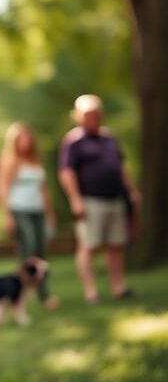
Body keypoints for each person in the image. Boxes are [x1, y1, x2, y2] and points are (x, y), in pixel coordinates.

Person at [58, 94, 140, 304]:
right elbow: (66, 172)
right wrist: (75, 200)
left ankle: (118, 288)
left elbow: (120, 167)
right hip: (90, 200)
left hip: (115, 199)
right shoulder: (74, 141)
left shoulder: (109, 138)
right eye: (87, 113)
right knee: (88, 245)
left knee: (115, 245)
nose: (92, 117)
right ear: (78, 116)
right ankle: (90, 292)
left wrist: (131, 190)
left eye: (95, 113)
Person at [0, 122, 59, 309]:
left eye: (28, 138)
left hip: (38, 211)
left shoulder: (36, 161)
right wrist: (8, 215)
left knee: (41, 252)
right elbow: (3, 189)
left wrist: (49, 213)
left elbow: (44, 189)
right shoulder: (9, 161)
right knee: (28, 251)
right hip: (19, 211)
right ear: (14, 142)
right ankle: (22, 294)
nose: (26, 142)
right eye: (22, 139)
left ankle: (40, 293)